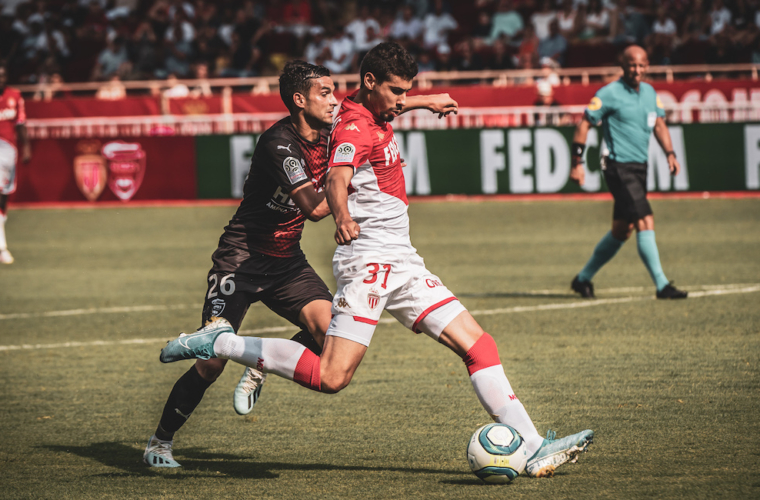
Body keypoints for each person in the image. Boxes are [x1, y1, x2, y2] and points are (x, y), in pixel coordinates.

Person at [159, 43, 594, 479]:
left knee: (479, 346)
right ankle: (222, 345)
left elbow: (375, 108)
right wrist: (343, 216)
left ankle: (533, 446)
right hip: (367, 262)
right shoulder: (347, 129)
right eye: (397, 91)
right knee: (332, 376)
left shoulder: (363, 110)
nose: (402, 99)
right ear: (370, 83)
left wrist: (426, 101)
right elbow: (337, 177)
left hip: (401, 260)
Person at [144, 59, 459, 468]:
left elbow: (376, 106)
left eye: (333, 92)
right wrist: (346, 181)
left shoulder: (333, 132)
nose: (333, 101)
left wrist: (427, 100)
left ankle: (259, 366)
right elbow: (312, 208)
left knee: (330, 334)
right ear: (299, 100)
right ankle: (160, 442)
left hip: (287, 262)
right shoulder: (279, 144)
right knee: (211, 365)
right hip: (241, 260)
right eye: (324, 93)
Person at [569, 45, 688, 300]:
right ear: (623, 65)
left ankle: (582, 279)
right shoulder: (609, 93)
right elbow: (584, 125)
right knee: (645, 219)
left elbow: (659, 124)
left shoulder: (650, 93)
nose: (637, 69)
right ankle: (662, 286)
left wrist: (670, 153)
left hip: (639, 167)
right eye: (632, 64)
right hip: (617, 166)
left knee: (622, 230)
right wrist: (577, 163)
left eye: (642, 65)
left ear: (647, 66)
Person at [0, 65, 30, 264]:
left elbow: (21, 122)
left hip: (8, 152)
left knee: (4, 198)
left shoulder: (15, 96)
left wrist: (26, 146)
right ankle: (2, 247)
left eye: (3, 75)